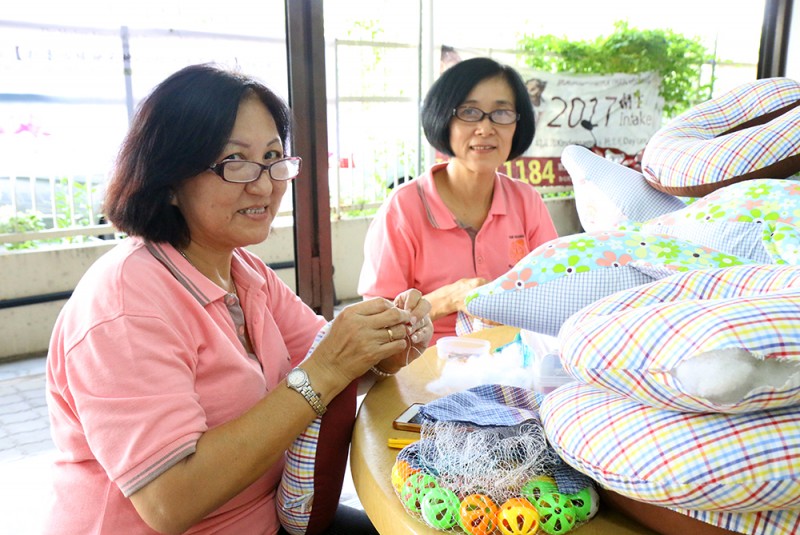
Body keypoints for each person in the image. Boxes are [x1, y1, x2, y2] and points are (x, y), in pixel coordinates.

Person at [44, 63, 432, 535]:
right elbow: (170, 502)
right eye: (235, 161)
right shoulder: (124, 304)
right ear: (169, 179)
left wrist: (389, 342)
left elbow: (332, 358)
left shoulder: (243, 270)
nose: (264, 184)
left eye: (272, 157)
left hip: (266, 516)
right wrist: (326, 369)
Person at [358, 57, 558, 342]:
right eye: (470, 112)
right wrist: (449, 299)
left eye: (501, 113)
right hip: (426, 362)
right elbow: (375, 324)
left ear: (518, 124)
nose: (485, 128)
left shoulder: (526, 201)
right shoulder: (403, 208)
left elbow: (555, 290)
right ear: (444, 119)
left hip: (515, 357)